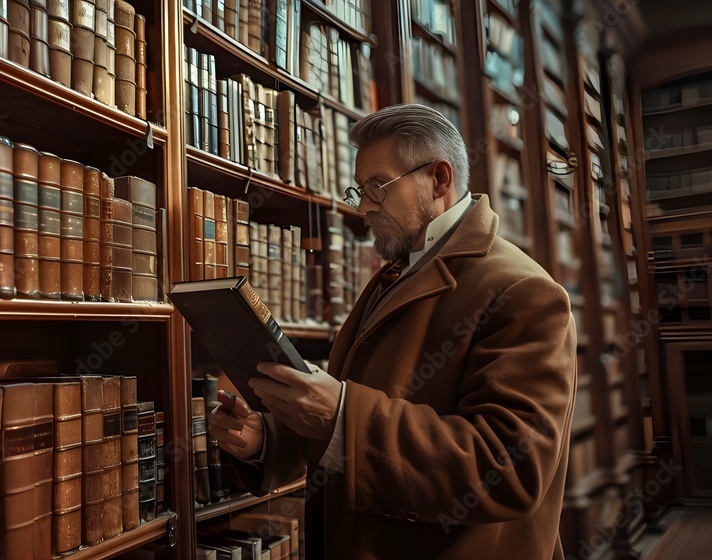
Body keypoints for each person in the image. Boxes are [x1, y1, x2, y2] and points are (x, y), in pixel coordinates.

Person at [209, 104, 577, 559]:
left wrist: (341, 414)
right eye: (360, 190)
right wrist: (267, 440)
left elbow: (510, 468)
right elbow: (359, 420)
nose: (363, 207)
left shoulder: (524, 290)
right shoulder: (399, 271)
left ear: (439, 179)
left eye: (378, 187)